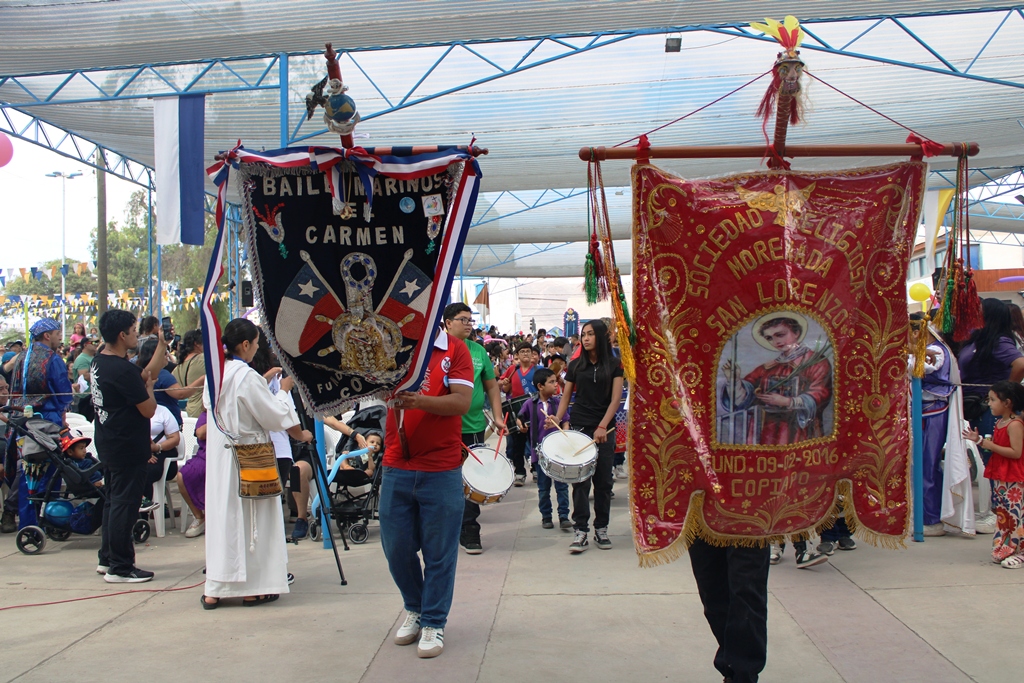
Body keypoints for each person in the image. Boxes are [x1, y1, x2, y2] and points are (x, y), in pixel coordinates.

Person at [201, 318, 313, 609]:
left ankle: (215, 588)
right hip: (249, 455)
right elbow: (272, 414)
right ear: (245, 344)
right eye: (256, 343)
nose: (258, 348)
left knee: (223, 519)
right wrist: (284, 392)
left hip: (221, 458)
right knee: (254, 520)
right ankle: (254, 588)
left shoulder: (216, 373)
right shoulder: (245, 375)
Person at [381, 327, 473, 659]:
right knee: (396, 548)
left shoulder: (455, 349)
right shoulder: (394, 344)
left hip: (441, 468)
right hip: (396, 463)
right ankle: (415, 607)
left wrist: (419, 401)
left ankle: (433, 621)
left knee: (439, 553)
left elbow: (462, 402)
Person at [92, 309, 162, 583]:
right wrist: (150, 390)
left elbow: (143, 374)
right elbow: (148, 409)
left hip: (109, 442)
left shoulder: (101, 361)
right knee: (125, 506)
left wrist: (161, 347)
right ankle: (121, 567)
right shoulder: (121, 370)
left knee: (113, 501)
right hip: (127, 446)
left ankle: (107, 557)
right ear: (122, 335)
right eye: (134, 331)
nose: (137, 336)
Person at [547, 319, 623, 553]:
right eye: (584, 334)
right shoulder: (575, 365)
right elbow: (566, 396)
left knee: (603, 481)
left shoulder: (615, 364)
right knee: (580, 481)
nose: (586, 338)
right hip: (579, 427)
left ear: (600, 336)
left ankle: (601, 528)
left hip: (605, 430)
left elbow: (615, 400)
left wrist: (602, 426)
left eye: (590, 334)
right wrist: (557, 417)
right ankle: (581, 530)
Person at [443, 303, 507, 555]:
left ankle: (470, 531)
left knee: (472, 479)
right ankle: (443, 530)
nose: (469, 324)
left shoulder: (478, 351)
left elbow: (491, 386)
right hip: (441, 428)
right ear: (448, 323)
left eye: (471, 320)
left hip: (472, 428)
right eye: (463, 319)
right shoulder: (436, 350)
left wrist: (498, 417)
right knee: (444, 481)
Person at [2, 318, 74, 533]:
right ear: (47, 336)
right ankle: (49, 522)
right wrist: (63, 417)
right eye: (57, 334)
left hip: (22, 422)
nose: (60, 338)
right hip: (47, 420)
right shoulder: (52, 359)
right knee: (51, 472)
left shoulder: (21, 358)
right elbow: (63, 393)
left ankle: (29, 525)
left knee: (29, 473)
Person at [720, 315, 832, 446]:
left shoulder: (815, 362)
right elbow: (745, 395)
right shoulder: (767, 368)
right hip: (767, 427)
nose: (776, 341)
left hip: (798, 428)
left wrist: (787, 402)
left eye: (780, 335)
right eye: (769, 338)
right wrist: (734, 381)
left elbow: (820, 393)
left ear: (796, 333)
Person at [964, 381, 1024, 567]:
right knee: (1003, 513)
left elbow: (1016, 452)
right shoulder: (1000, 422)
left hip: (1013, 476)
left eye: (992, 400)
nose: (989, 403)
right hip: (1002, 475)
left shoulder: (1015, 424)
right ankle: (1005, 546)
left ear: (1007, 402)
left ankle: (1019, 550)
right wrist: (981, 441)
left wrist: (987, 444)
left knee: (1016, 514)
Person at [959, 299, 1024, 464]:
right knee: (989, 458)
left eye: (979, 311)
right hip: (975, 406)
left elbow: (1020, 364)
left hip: (989, 409)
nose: (975, 314)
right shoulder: (977, 338)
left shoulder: (998, 341)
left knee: (995, 459)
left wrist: (1005, 390)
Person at [518, 368, 571, 530]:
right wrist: (521, 425)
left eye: (555, 381)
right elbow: (520, 417)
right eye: (551, 382)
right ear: (540, 386)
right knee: (543, 487)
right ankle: (546, 516)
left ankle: (564, 516)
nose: (556, 385)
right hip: (540, 453)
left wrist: (566, 433)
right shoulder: (531, 404)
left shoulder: (558, 403)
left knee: (562, 486)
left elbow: (565, 421)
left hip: (558, 453)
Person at [499, 342, 540, 486]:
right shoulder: (512, 369)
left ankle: (536, 469)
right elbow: (503, 387)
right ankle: (520, 472)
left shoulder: (538, 370)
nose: (526, 354)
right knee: (518, 444)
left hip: (535, 409)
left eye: (528, 351)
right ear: (517, 355)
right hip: (517, 412)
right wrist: (504, 383)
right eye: (522, 351)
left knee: (535, 442)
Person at [175, 411, 207, 538]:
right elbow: (201, 433)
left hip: (228, 457)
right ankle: (199, 517)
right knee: (183, 475)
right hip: (205, 456)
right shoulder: (206, 415)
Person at [172, 330, 206, 418]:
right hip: (203, 411)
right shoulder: (203, 360)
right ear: (196, 344)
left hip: (189, 410)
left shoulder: (178, 368)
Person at [72, 335, 99, 420]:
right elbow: (85, 376)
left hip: (92, 397)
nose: (96, 344)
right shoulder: (82, 359)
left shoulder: (92, 357)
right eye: (93, 342)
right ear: (85, 345)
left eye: (97, 342)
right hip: (85, 398)